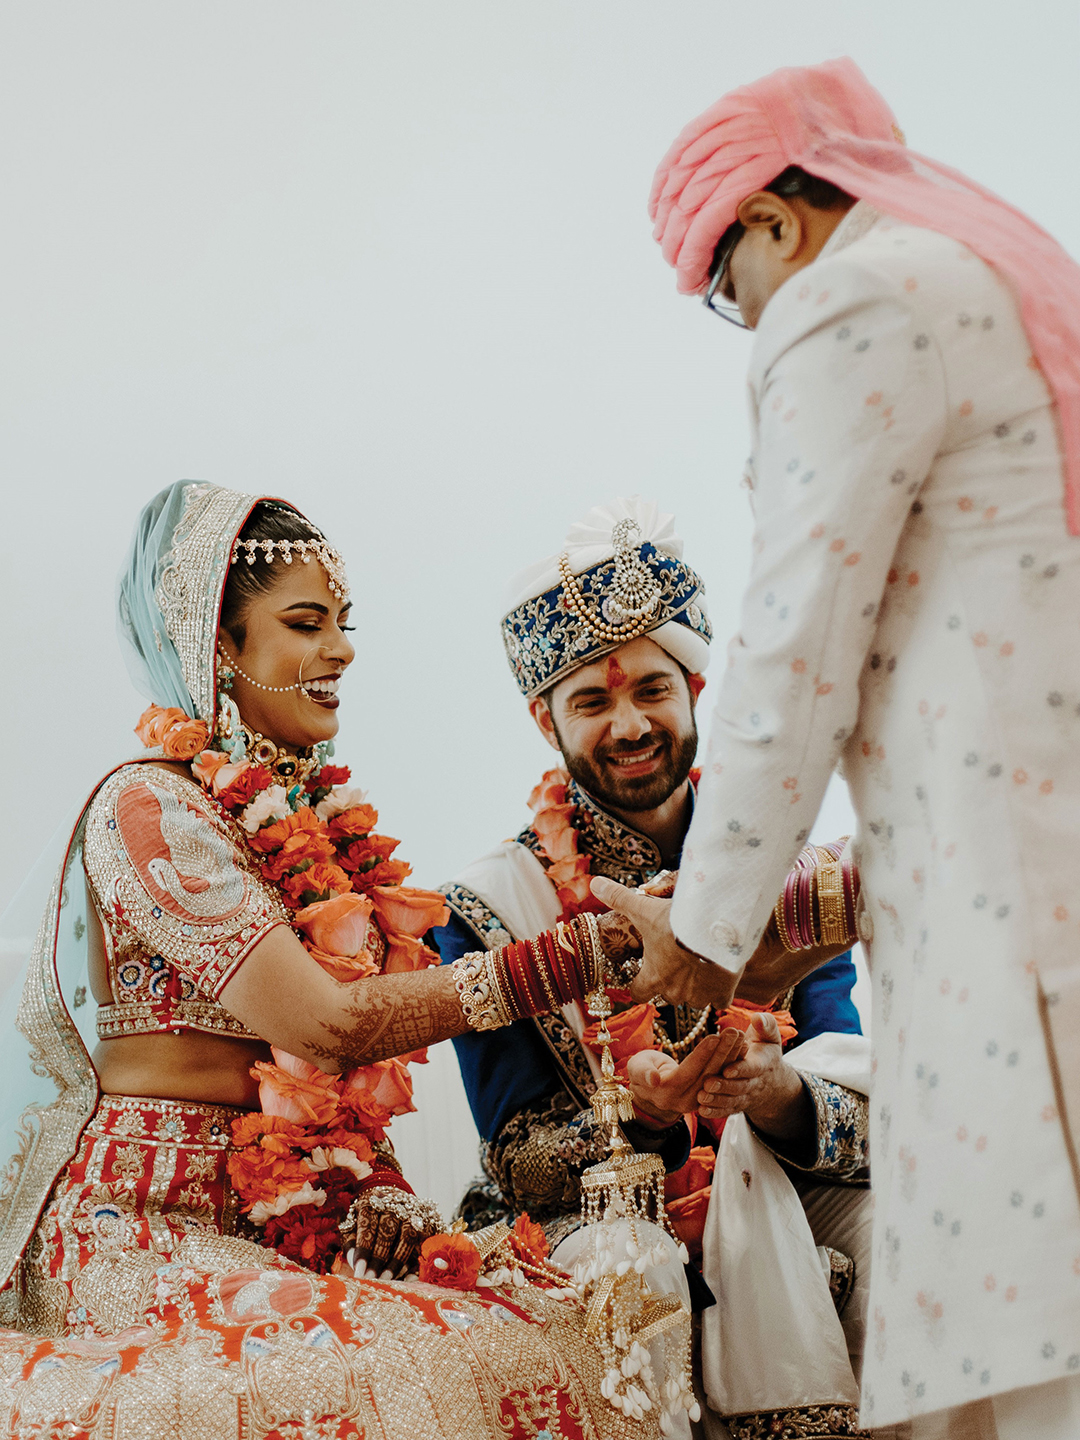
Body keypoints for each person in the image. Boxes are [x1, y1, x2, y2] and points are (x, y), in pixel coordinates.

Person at [0, 480, 694, 1438]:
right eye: (305, 622)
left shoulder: (307, 824)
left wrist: (379, 1198)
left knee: (553, 1326)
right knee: (394, 1368)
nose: (343, 650)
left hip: (271, 1221)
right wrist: (595, 948)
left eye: (343, 621)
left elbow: (337, 1087)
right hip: (138, 1230)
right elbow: (328, 1025)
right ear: (216, 645)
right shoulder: (151, 810)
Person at [612, 57, 1080, 1438]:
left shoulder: (851, 298)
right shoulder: (994, 280)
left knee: (1030, 1340)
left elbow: (793, 638)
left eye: (719, 281)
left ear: (774, 217)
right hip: (1016, 860)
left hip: (1015, 909)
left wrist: (698, 938)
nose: (737, 315)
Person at [431, 497, 875, 1439]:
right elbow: (517, 1157)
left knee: (913, 1232)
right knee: (632, 1266)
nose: (629, 724)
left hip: (779, 1184)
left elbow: (857, 1095)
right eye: (591, 701)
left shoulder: (782, 872)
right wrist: (644, 1111)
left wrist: (775, 1090)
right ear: (544, 720)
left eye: (651, 692)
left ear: (695, 692)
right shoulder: (490, 906)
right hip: (582, 1215)